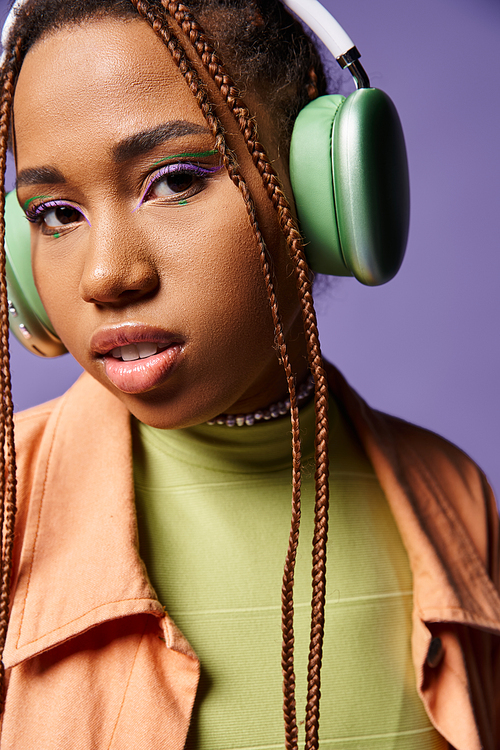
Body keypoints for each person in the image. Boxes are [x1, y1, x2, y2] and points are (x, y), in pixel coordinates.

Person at [0, 0, 498, 748]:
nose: (106, 276)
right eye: (56, 214)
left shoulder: (456, 497)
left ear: (322, 188)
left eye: (173, 180)